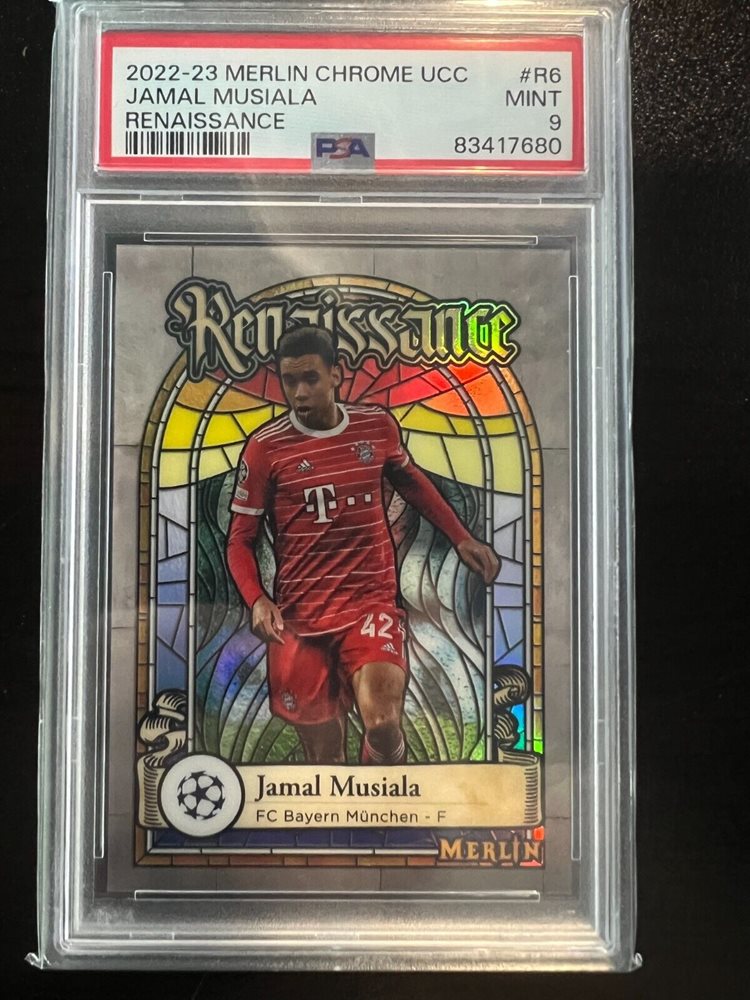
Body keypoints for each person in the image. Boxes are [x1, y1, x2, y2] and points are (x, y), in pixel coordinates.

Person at [226, 326, 500, 765]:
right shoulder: (265, 449)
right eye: (290, 381)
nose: (299, 392)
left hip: (369, 603)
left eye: (311, 378)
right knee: (325, 756)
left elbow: (409, 480)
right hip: (300, 618)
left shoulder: (375, 427)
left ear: (336, 374)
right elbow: (241, 538)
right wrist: (256, 599)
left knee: (383, 723)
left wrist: (460, 536)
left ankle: (386, 792)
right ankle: (350, 806)